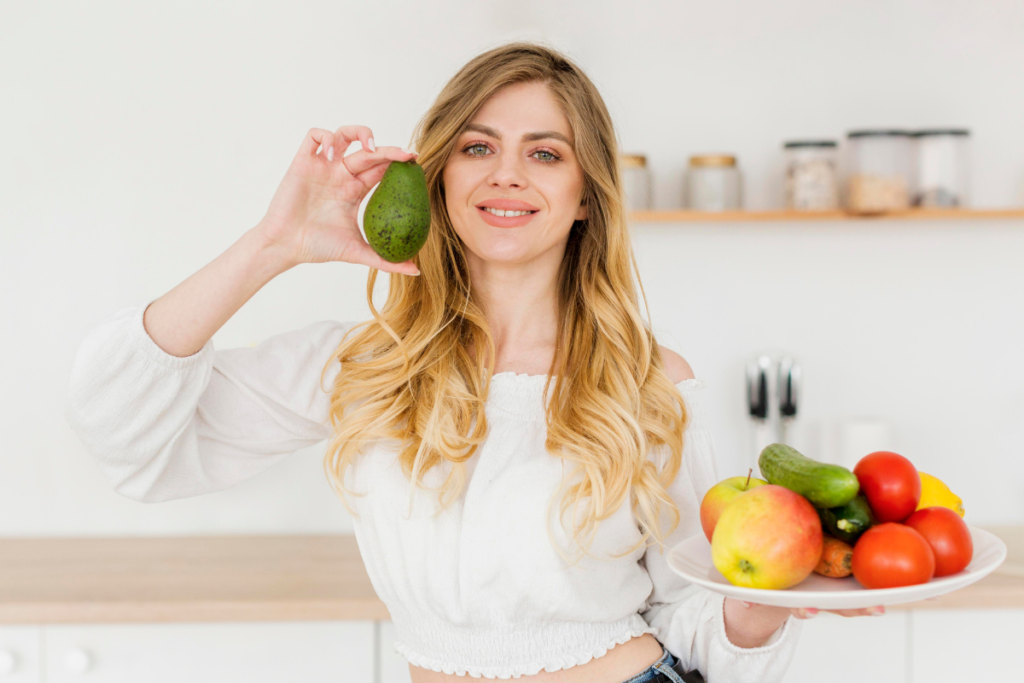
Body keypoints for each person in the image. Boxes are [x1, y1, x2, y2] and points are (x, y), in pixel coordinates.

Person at [65, 42, 880, 683]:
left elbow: (696, 620)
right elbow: (123, 434)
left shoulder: (650, 382)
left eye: (546, 153)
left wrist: (759, 610)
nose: (506, 174)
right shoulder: (363, 368)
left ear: (586, 194)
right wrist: (273, 246)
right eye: (478, 146)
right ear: (440, 175)